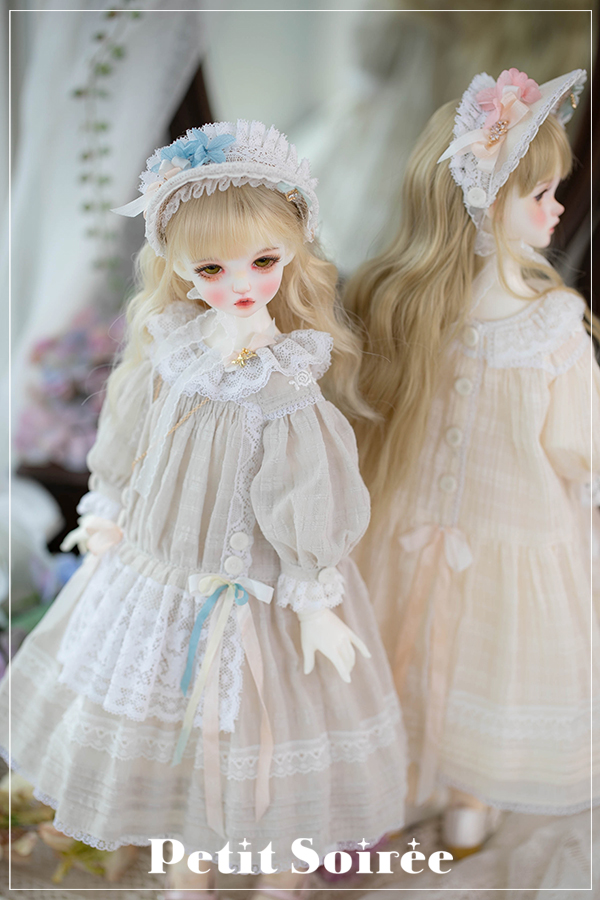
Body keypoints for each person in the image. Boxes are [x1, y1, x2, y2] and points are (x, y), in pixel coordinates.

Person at [1, 121, 407, 897]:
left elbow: (305, 494)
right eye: (213, 269)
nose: (242, 283)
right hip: (155, 571)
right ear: (181, 270)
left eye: (263, 261)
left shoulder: (286, 382)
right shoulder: (173, 347)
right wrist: (107, 507)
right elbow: (128, 435)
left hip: (260, 593)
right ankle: (189, 872)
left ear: (293, 255)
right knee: (163, 736)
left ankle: (279, 878)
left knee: (267, 740)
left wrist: (313, 598)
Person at [345, 68, 597, 857]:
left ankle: (449, 786)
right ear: (486, 202)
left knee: (446, 653)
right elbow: (577, 445)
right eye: (539, 193)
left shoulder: (419, 307)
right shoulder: (539, 324)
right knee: (470, 661)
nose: (557, 208)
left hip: (456, 529)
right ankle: (452, 794)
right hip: (473, 527)